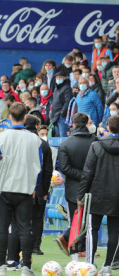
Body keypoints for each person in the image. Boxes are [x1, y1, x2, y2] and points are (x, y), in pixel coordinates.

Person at [78, 115, 119, 275]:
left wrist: (81, 195)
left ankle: (89, 264)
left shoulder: (96, 146)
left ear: (108, 128)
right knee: (115, 230)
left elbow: (87, 173)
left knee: (92, 229)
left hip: (97, 193)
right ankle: (108, 266)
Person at [0, 102, 43, 276]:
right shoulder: (35, 139)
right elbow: (39, 165)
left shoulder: (2, 137)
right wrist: (36, 186)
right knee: (25, 227)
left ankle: (2, 265)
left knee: (2, 228)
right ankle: (26, 266)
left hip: (4, 187)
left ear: (10, 117)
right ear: (25, 117)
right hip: (25, 187)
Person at [54, 113, 96, 259]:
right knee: (91, 225)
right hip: (92, 188)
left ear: (73, 124)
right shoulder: (96, 141)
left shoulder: (66, 143)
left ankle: (75, 258)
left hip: (73, 189)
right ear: (86, 124)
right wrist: (87, 176)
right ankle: (88, 256)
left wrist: (81, 176)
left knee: (75, 223)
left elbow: (64, 168)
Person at [22, 115, 54, 256]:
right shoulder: (44, 144)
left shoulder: (19, 142)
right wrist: (45, 189)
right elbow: (48, 170)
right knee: (37, 218)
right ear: (37, 126)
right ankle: (35, 246)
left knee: (20, 218)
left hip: (20, 185)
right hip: (39, 186)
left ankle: (20, 246)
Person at [51, 72, 72, 137]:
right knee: (58, 136)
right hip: (55, 116)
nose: (58, 79)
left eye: (60, 77)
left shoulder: (67, 88)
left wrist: (62, 113)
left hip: (62, 116)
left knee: (63, 136)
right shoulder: (57, 88)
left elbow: (67, 101)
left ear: (64, 78)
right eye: (57, 77)